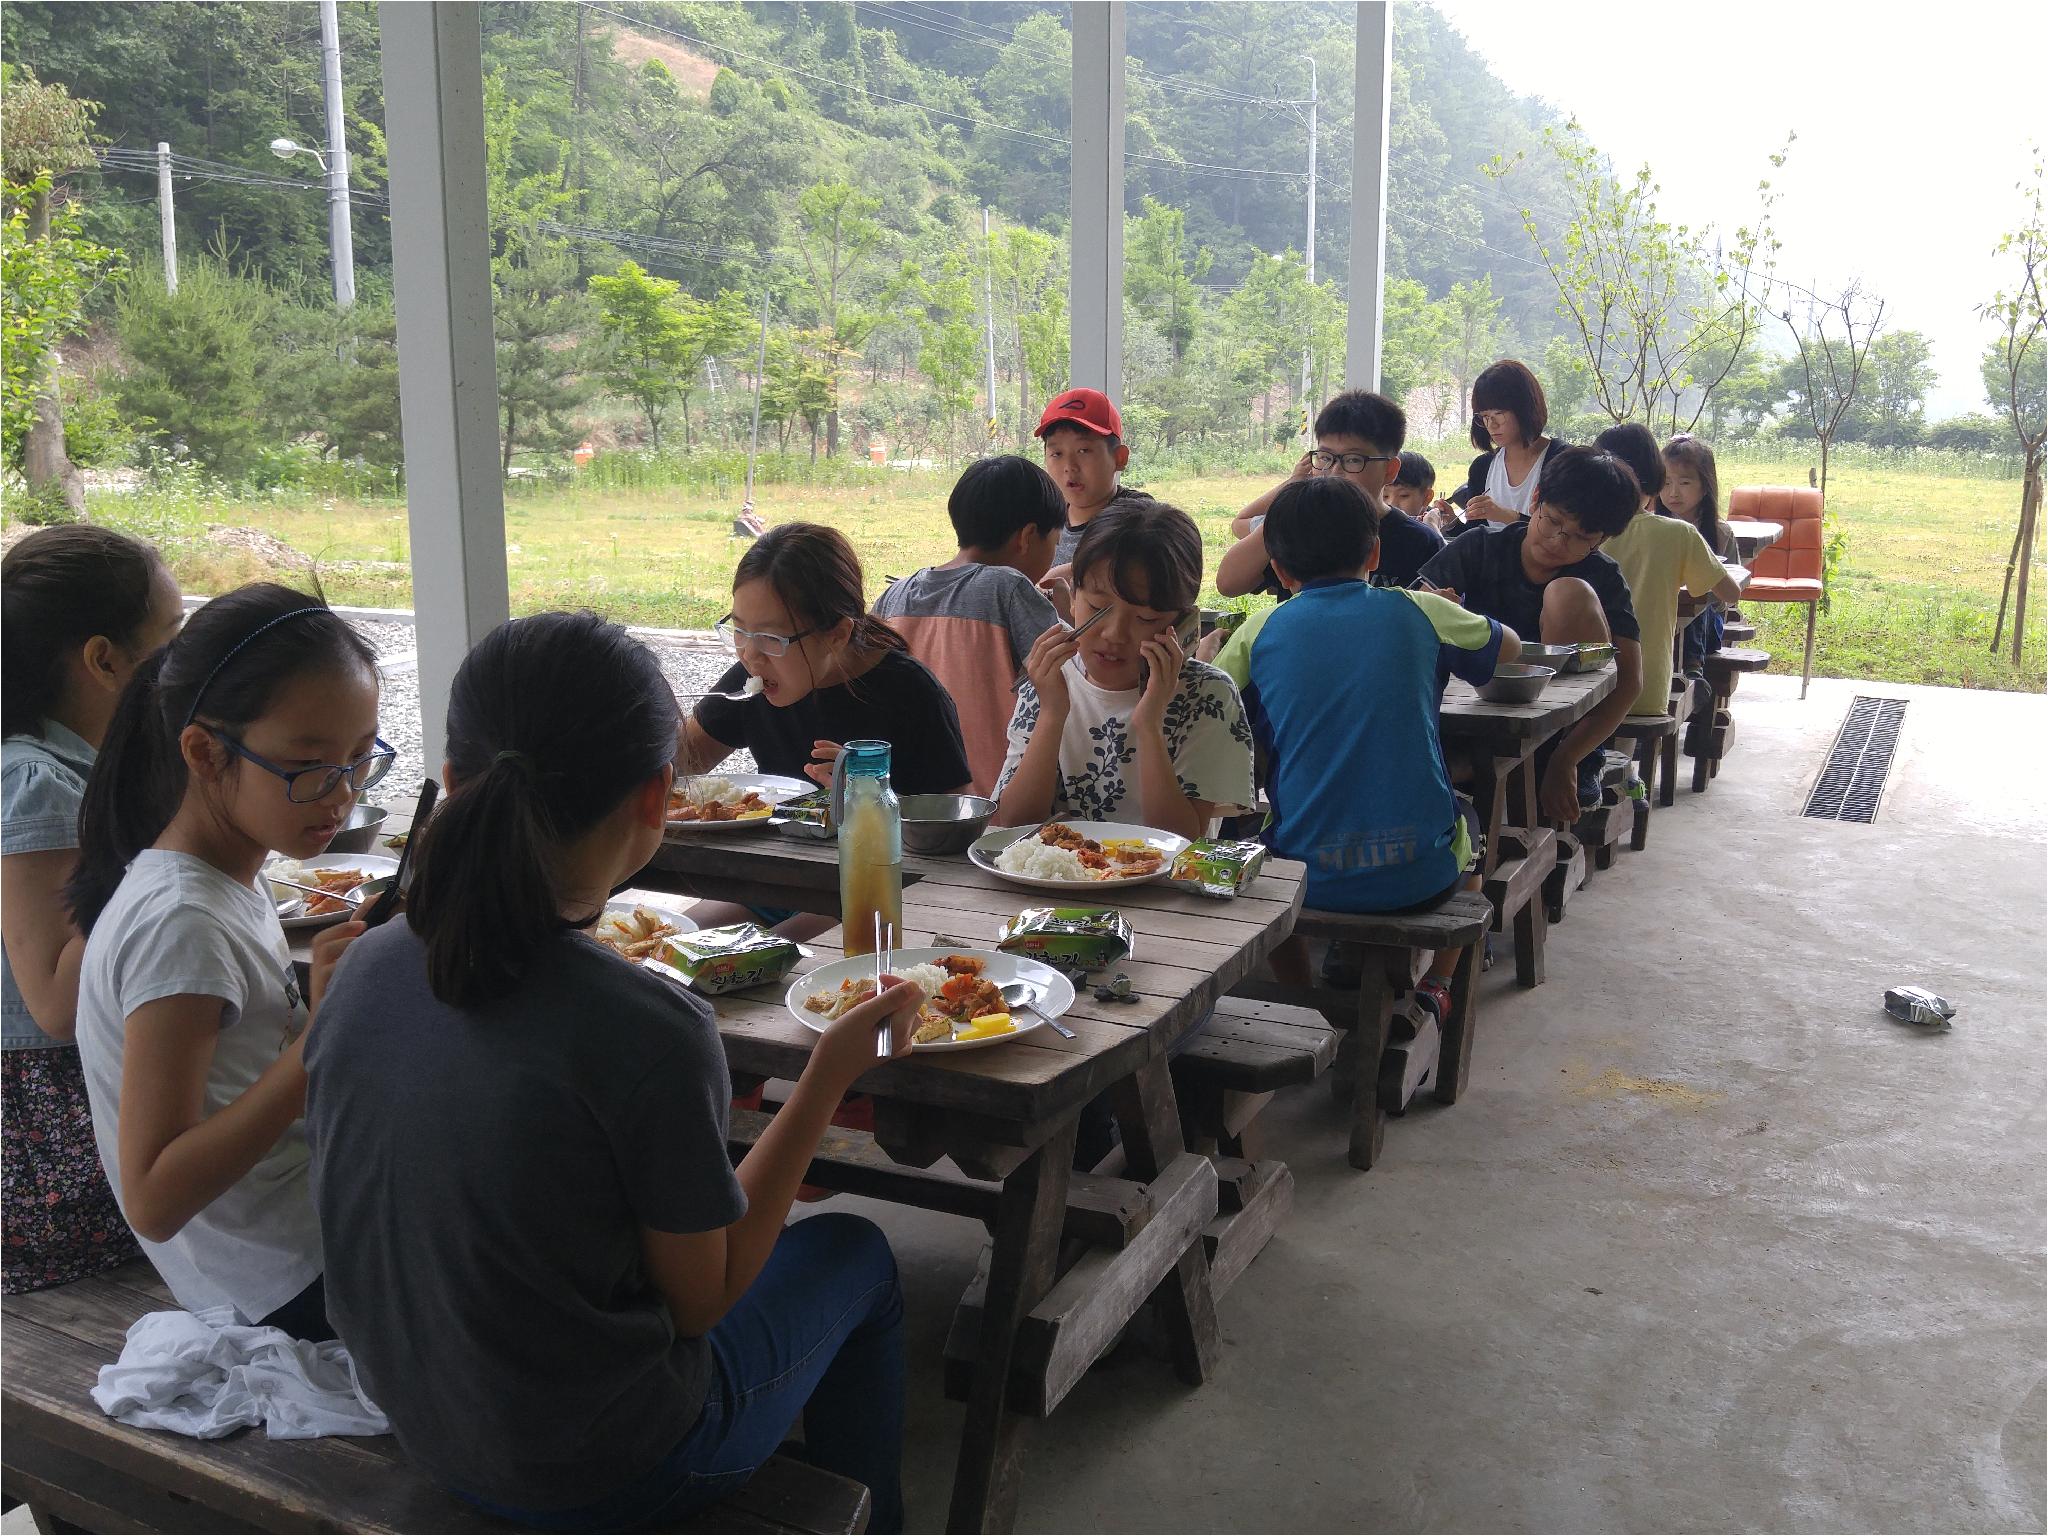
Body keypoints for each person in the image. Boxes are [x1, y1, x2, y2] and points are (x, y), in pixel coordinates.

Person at [306, 612, 917, 1532]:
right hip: (604, 1468)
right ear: (657, 798)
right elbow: (702, 1302)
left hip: (419, 1421)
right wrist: (826, 1073)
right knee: (859, 1254)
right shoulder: (646, 1026)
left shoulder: (359, 967)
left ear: (451, 782)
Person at [66, 584, 384, 1341]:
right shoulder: (182, 922)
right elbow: (153, 1194)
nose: (341, 793)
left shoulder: (225, 881)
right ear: (205, 753)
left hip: (301, 1235)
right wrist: (321, 1037)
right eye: (308, 765)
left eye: (361, 756)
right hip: (286, 1280)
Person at [1214, 479, 1517, 1017]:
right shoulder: (1419, 610)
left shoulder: (1260, 629)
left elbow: (1209, 697)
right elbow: (1508, 647)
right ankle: (1439, 985)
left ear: (1280, 573)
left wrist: (1205, 649)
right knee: (1474, 823)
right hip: (1420, 877)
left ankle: (1302, 1001)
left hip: (1306, 880)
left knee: (1260, 840)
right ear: (1375, 552)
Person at [2, 528, 183, 1294]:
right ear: (105, 661)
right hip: (49, 1147)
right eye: (172, 640)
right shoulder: (34, 781)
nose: (186, 664)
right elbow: (51, 1001)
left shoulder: (88, 762)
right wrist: (157, 839)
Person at [685, 523, 971, 936]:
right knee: (663, 949)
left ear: (837, 634)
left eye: (770, 637)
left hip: (870, 896)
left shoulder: (908, 692)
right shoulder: (752, 678)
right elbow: (681, 760)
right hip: (774, 883)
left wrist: (869, 791)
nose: (750, 654)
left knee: (759, 961)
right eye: (739, 629)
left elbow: (950, 825)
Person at [995, 500, 1254, 840]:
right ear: (1072, 598)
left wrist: (1149, 724)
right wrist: (1052, 713)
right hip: (1059, 886)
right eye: (1098, 608)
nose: (1114, 635)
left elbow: (1181, 840)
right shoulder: (1048, 682)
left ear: (1182, 624)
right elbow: (1012, 825)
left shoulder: (1206, 696)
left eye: (1145, 619)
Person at [1417, 446, 1644, 822]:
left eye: (1579, 537)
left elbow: (1631, 682)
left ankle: (1557, 758)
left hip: (1561, 736)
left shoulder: (1601, 575)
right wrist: (1434, 604)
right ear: (1536, 499)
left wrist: (1567, 758)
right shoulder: (1480, 547)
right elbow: (1410, 607)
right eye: (1553, 521)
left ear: (1601, 540)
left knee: (1567, 593)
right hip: (1471, 718)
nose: (1558, 541)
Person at [873, 455, 1063, 795]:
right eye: (1055, 543)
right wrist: (1066, 612)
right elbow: (1075, 672)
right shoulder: (1009, 588)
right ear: (1028, 536)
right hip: (992, 805)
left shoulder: (894, 595)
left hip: (911, 804)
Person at [1217, 390, 1443, 597]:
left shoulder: (1421, 543)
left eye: (1353, 460)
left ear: (1390, 470)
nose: (1334, 472)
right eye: (1325, 458)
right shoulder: (1299, 527)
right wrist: (1286, 513)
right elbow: (1229, 584)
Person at [1594, 424, 1744, 720]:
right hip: (1647, 687)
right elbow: (1730, 593)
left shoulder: (1581, 531)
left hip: (1584, 686)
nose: (1674, 492)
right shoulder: (1678, 533)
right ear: (1655, 479)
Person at [1034, 387, 1155, 609]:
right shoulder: (1043, 518)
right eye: (1056, 454)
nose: (1069, 467)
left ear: (1119, 458)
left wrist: (1069, 573)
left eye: (1084, 451)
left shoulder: (1139, 514)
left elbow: (1133, 564)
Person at [1658, 433, 1741, 674]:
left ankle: (1692, 669)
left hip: (1706, 624)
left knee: (1697, 602)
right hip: (1662, 618)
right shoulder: (1653, 526)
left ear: (1705, 486)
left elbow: (1729, 593)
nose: (1673, 492)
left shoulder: (1720, 533)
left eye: (1684, 483)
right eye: (1665, 483)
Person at [1462, 360, 1562, 526]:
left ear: (1524, 408)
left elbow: (1563, 534)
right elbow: (1474, 534)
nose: (1492, 425)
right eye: (1485, 417)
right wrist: (1447, 522)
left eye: (1499, 414)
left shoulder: (1562, 462)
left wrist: (1507, 516)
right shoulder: (1482, 467)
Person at [1387, 450, 1462, 537]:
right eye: (1385, 496)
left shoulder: (1435, 521)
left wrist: (1452, 524)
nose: (1391, 504)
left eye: (1403, 495)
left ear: (1427, 497)